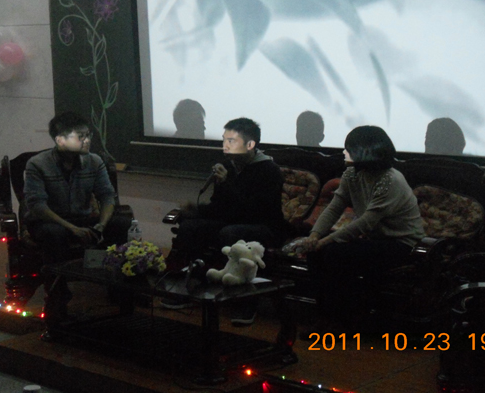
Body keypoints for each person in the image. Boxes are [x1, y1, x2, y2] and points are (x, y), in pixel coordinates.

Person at [297, 126, 425, 333]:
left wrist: (324, 241)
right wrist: (314, 236)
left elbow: (366, 222)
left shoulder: (391, 180)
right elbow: (334, 207)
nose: (344, 152)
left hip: (402, 245)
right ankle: (325, 316)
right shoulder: (352, 174)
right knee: (316, 253)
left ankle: (342, 321)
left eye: (349, 149)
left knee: (335, 254)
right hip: (375, 240)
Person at [163, 118, 289, 323]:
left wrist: (227, 183)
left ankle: (246, 302)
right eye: (224, 140)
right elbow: (219, 207)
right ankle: (191, 286)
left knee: (231, 234)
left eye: (232, 141)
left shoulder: (269, 170)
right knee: (190, 227)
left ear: (250, 144)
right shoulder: (228, 167)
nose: (225, 146)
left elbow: (255, 212)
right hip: (231, 222)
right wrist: (195, 210)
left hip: (264, 226)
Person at [24, 111, 129, 332]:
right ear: (60, 140)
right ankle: (57, 297)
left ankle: (117, 286)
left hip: (82, 218)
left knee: (120, 223)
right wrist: (71, 228)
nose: (87, 140)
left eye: (88, 135)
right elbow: (37, 206)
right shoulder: (38, 164)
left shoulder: (94, 161)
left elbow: (107, 196)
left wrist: (101, 225)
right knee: (55, 234)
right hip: (49, 221)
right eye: (81, 136)